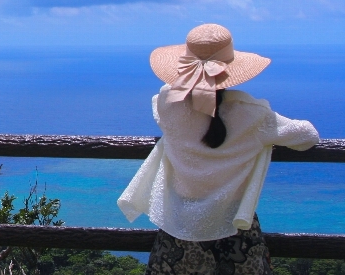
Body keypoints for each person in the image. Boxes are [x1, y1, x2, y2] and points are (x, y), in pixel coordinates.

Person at [118, 24, 319, 274]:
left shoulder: (167, 106)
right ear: (230, 70)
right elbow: (308, 136)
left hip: (178, 228)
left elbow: (168, 98)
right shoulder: (253, 115)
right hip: (235, 230)